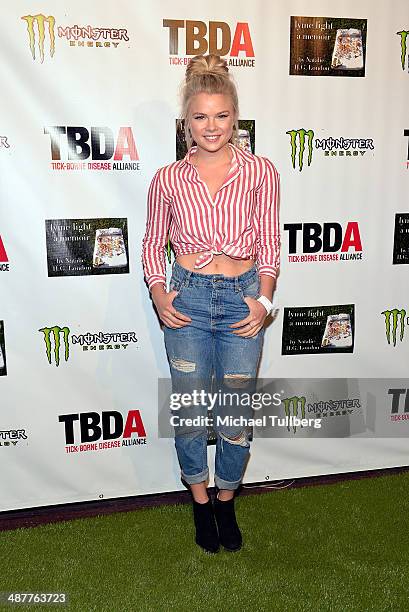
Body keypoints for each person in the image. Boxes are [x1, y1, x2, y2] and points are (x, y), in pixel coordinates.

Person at [142, 54, 280, 554]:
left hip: (243, 299)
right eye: (200, 117)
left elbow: (269, 242)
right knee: (192, 410)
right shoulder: (168, 179)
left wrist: (263, 301)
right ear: (186, 123)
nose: (211, 126)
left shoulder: (261, 172)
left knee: (237, 414)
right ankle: (200, 500)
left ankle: (227, 499)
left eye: (221, 116)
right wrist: (160, 293)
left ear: (234, 118)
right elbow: (152, 243)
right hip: (190, 300)